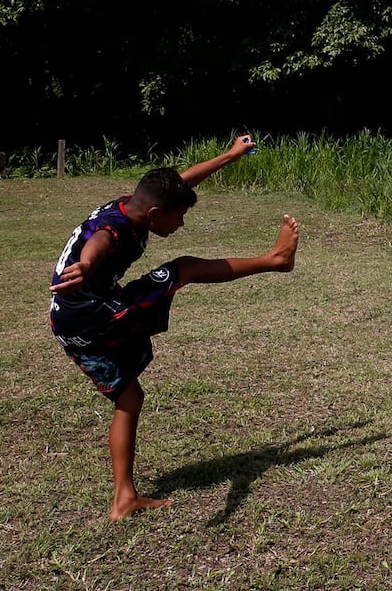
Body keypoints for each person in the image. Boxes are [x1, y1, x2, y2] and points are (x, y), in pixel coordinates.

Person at [48, 134, 299, 519]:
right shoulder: (115, 228)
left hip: (68, 324)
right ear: (153, 216)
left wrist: (230, 157)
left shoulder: (134, 204)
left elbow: (182, 182)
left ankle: (123, 499)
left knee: (129, 399)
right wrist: (85, 263)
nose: (181, 222)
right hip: (95, 316)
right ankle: (276, 259)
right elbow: (99, 241)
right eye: (179, 216)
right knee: (183, 268)